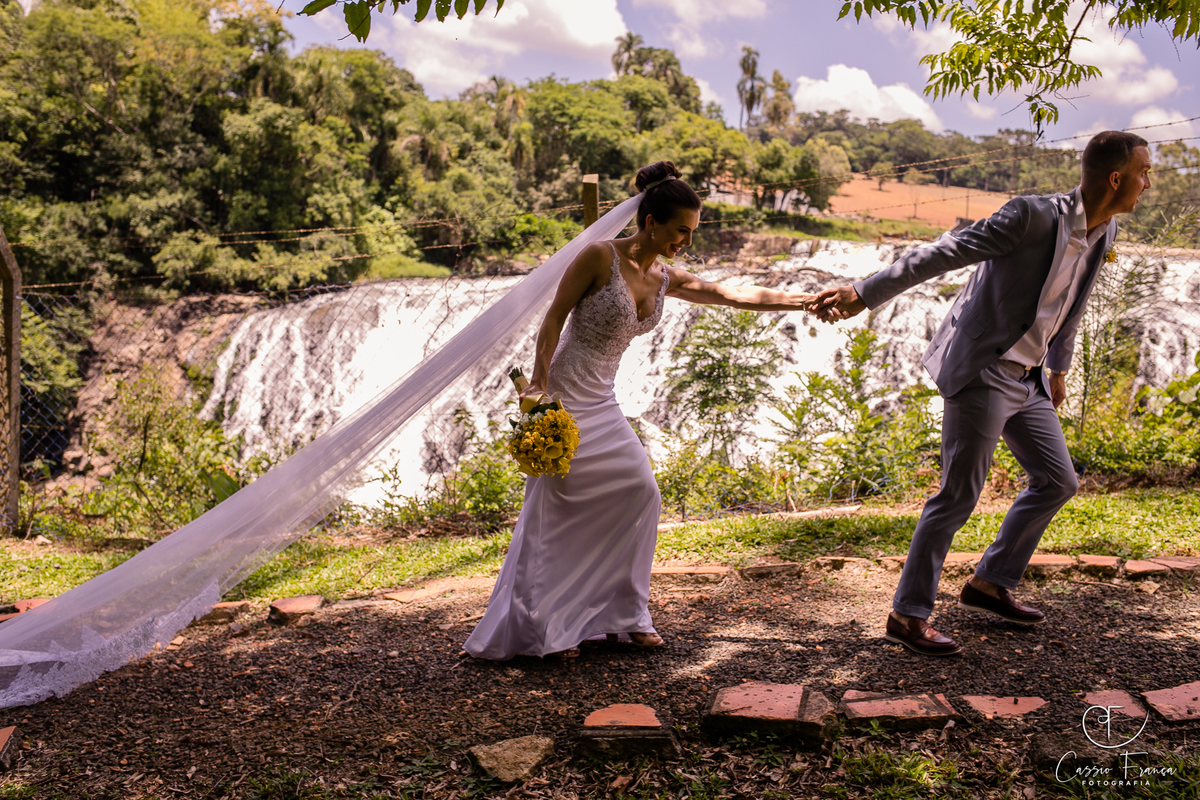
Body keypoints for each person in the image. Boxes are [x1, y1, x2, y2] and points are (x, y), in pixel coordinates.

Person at [812, 131, 1152, 656]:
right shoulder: (1033, 216)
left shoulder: (1103, 233)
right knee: (958, 495)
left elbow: (1072, 305)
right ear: (1115, 179)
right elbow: (946, 252)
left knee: (1057, 481)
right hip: (986, 368)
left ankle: (990, 583)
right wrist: (863, 293)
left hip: (1030, 377)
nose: (1147, 184)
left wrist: (1057, 367)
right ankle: (908, 614)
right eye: (1143, 174)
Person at [464, 161, 817, 660]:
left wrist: (803, 300)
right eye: (680, 231)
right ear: (650, 221)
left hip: (603, 402)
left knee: (640, 492)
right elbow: (553, 320)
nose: (685, 243)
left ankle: (626, 614)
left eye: (691, 234)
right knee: (555, 510)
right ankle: (544, 625)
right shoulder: (597, 257)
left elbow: (730, 293)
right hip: (564, 395)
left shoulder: (663, 276)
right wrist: (539, 385)